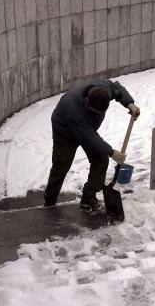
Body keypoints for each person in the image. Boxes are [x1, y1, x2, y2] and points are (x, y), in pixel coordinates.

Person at [43, 79, 141, 213]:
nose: (97, 115)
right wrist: (111, 152)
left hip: (87, 128)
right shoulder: (72, 109)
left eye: (100, 113)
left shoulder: (104, 89)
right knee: (61, 166)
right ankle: (49, 202)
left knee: (101, 158)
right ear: (87, 100)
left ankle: (88, 197)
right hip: (65, 132)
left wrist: (130, 104)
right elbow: (88, 137)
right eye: (94, 111)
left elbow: (117, 89)